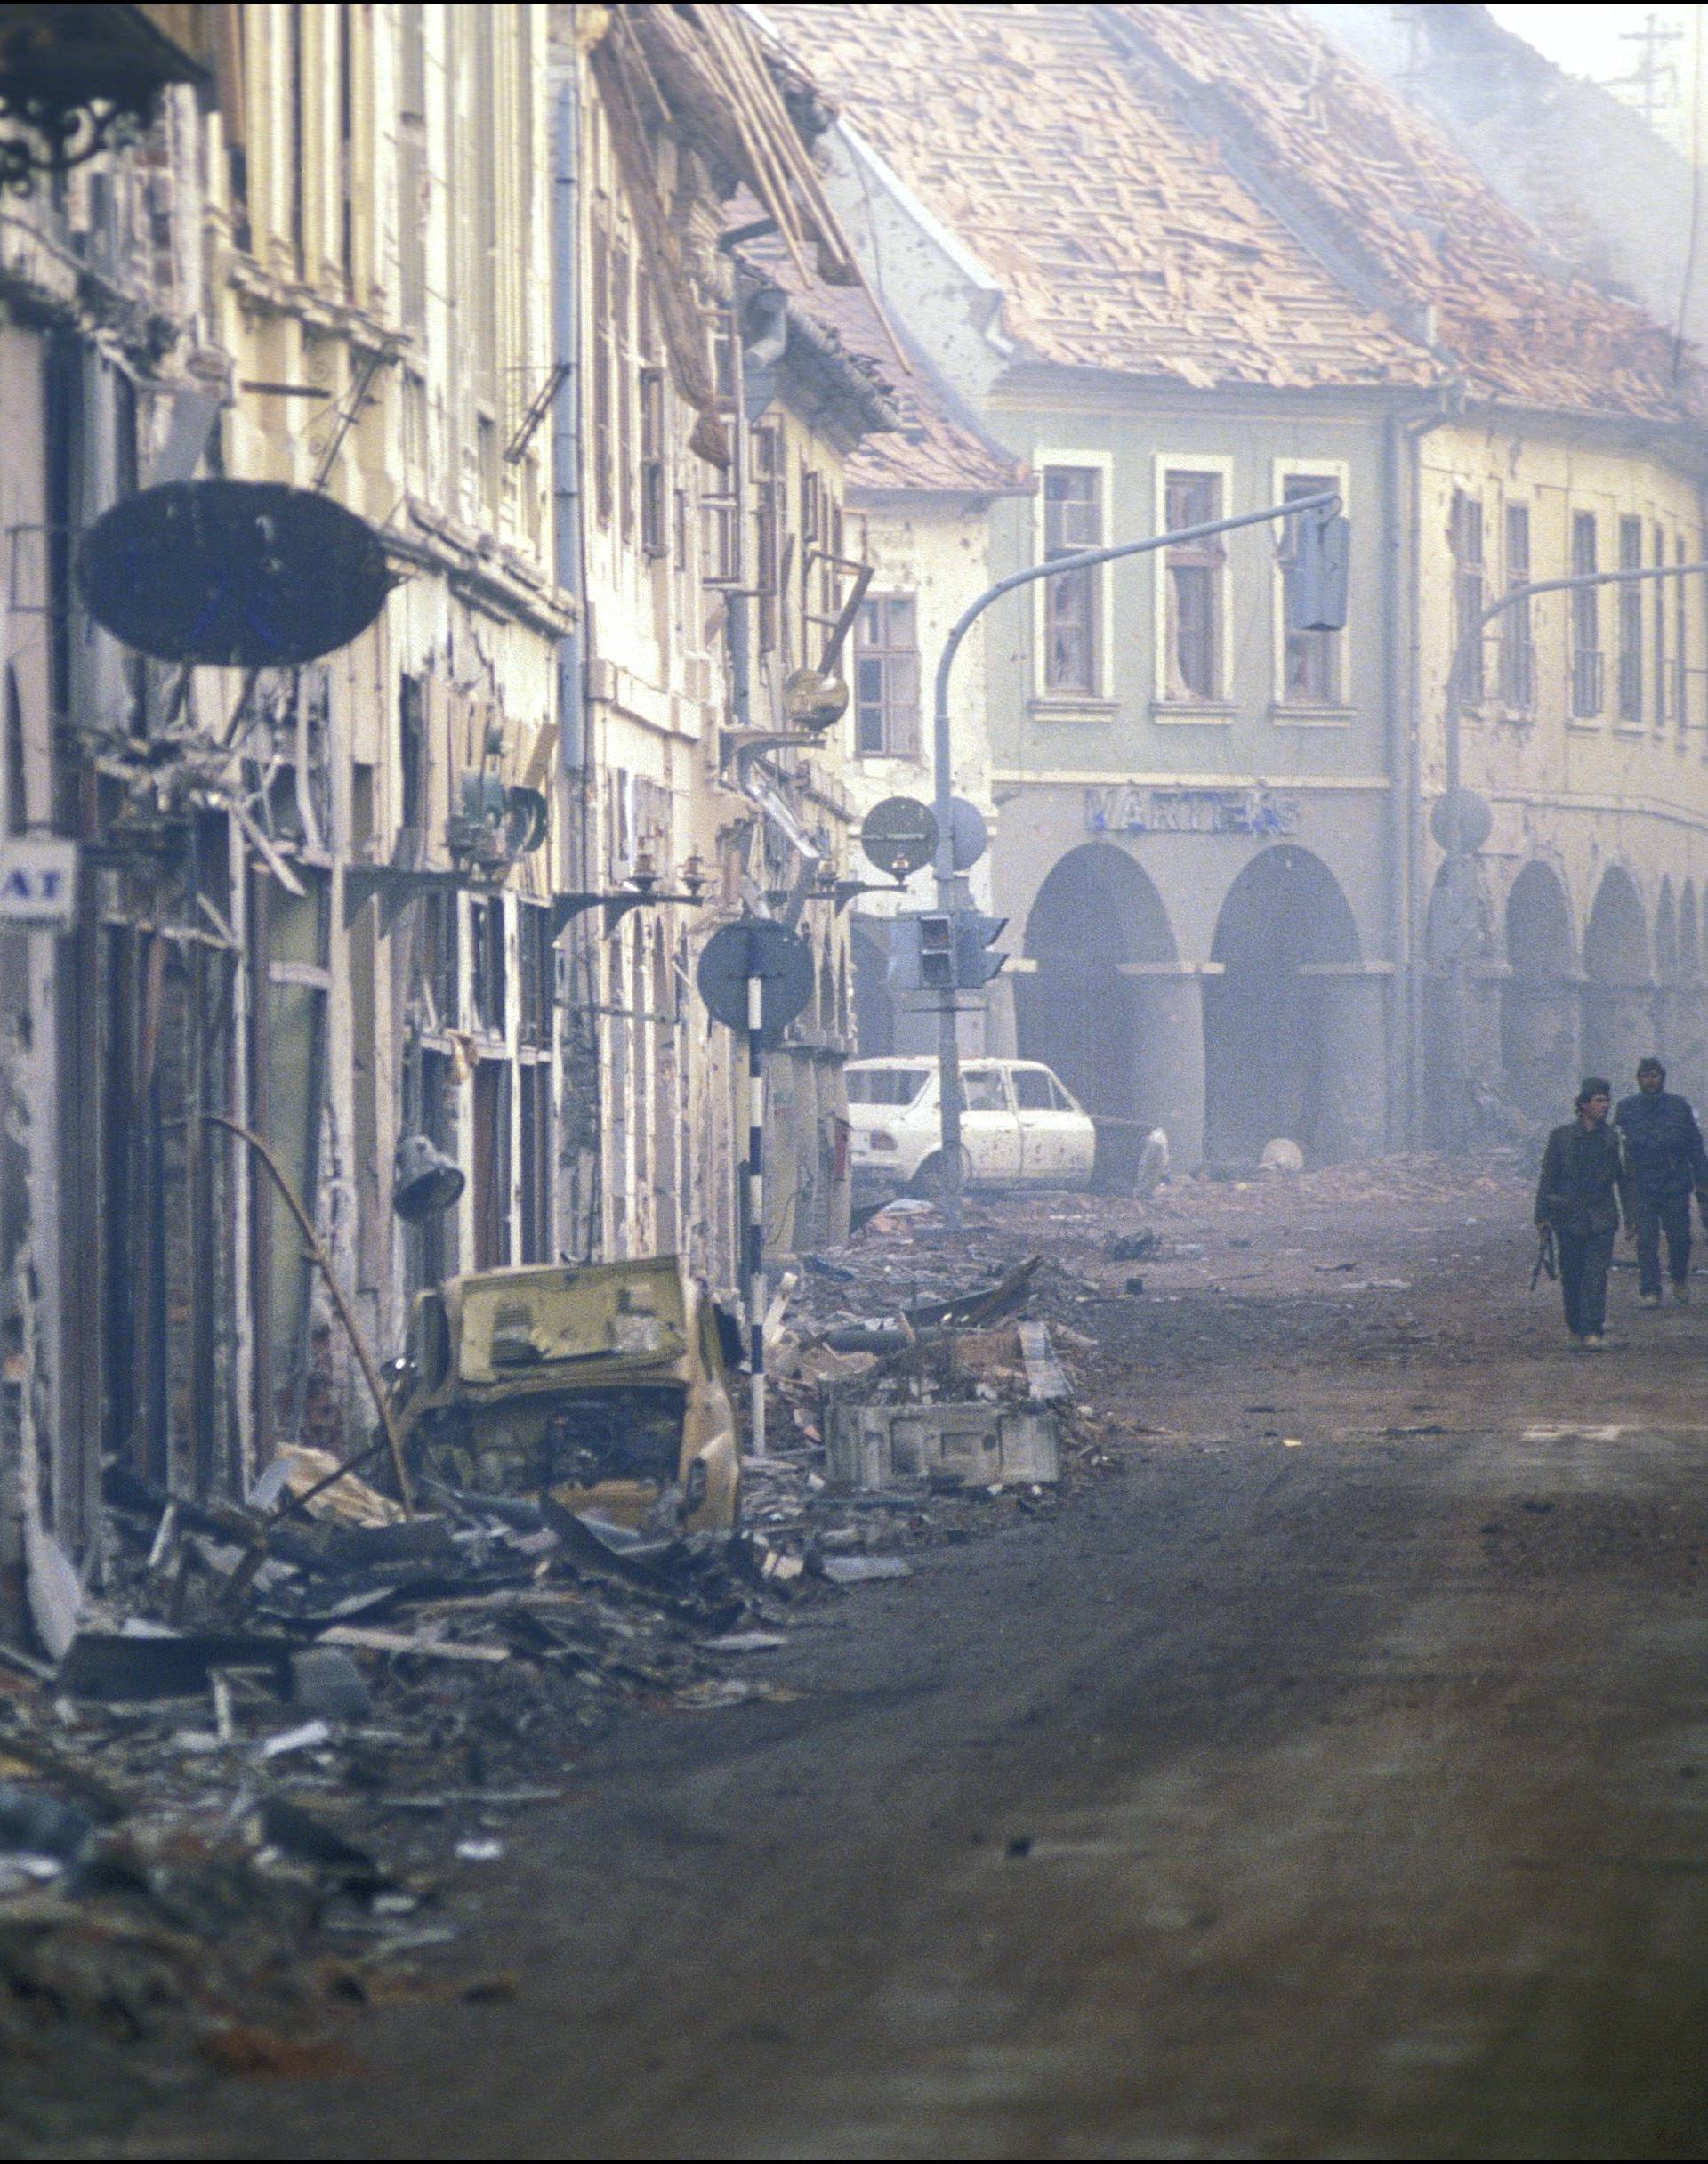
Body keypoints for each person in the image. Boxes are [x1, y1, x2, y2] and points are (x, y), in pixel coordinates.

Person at [1535, 1078, 1629, 1349]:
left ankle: (1593, 1331)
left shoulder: (1614, 1138)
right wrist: (1541, 1217)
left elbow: (1625, 1180)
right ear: (1584, 1104)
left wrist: (1633, 1216)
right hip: (1569, 1217)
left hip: (1601, 1216)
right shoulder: (1561, 1138)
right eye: (1599, 1100)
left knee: (1596, 1275)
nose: (1605, 1106)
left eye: (1606, 1100)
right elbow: (1548, 1177)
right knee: (1572, 1274)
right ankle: (1575, 1328)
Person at [1615, 1057, 1708, 1307]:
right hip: (1643, 1183)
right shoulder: (1627, 1109)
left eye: (1654, 1075)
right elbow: (1619, 1150)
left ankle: (1678, 1276)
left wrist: (1702, 1182)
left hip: (1674, 1182)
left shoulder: (1679, 1107)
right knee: (1646, 1239)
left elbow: (1695, 1146)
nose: (1650, 1080)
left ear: (1662, 1077)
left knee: (1680, 1237)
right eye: (1645, 1075)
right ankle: (1650, 1290)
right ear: (1638, 1079)